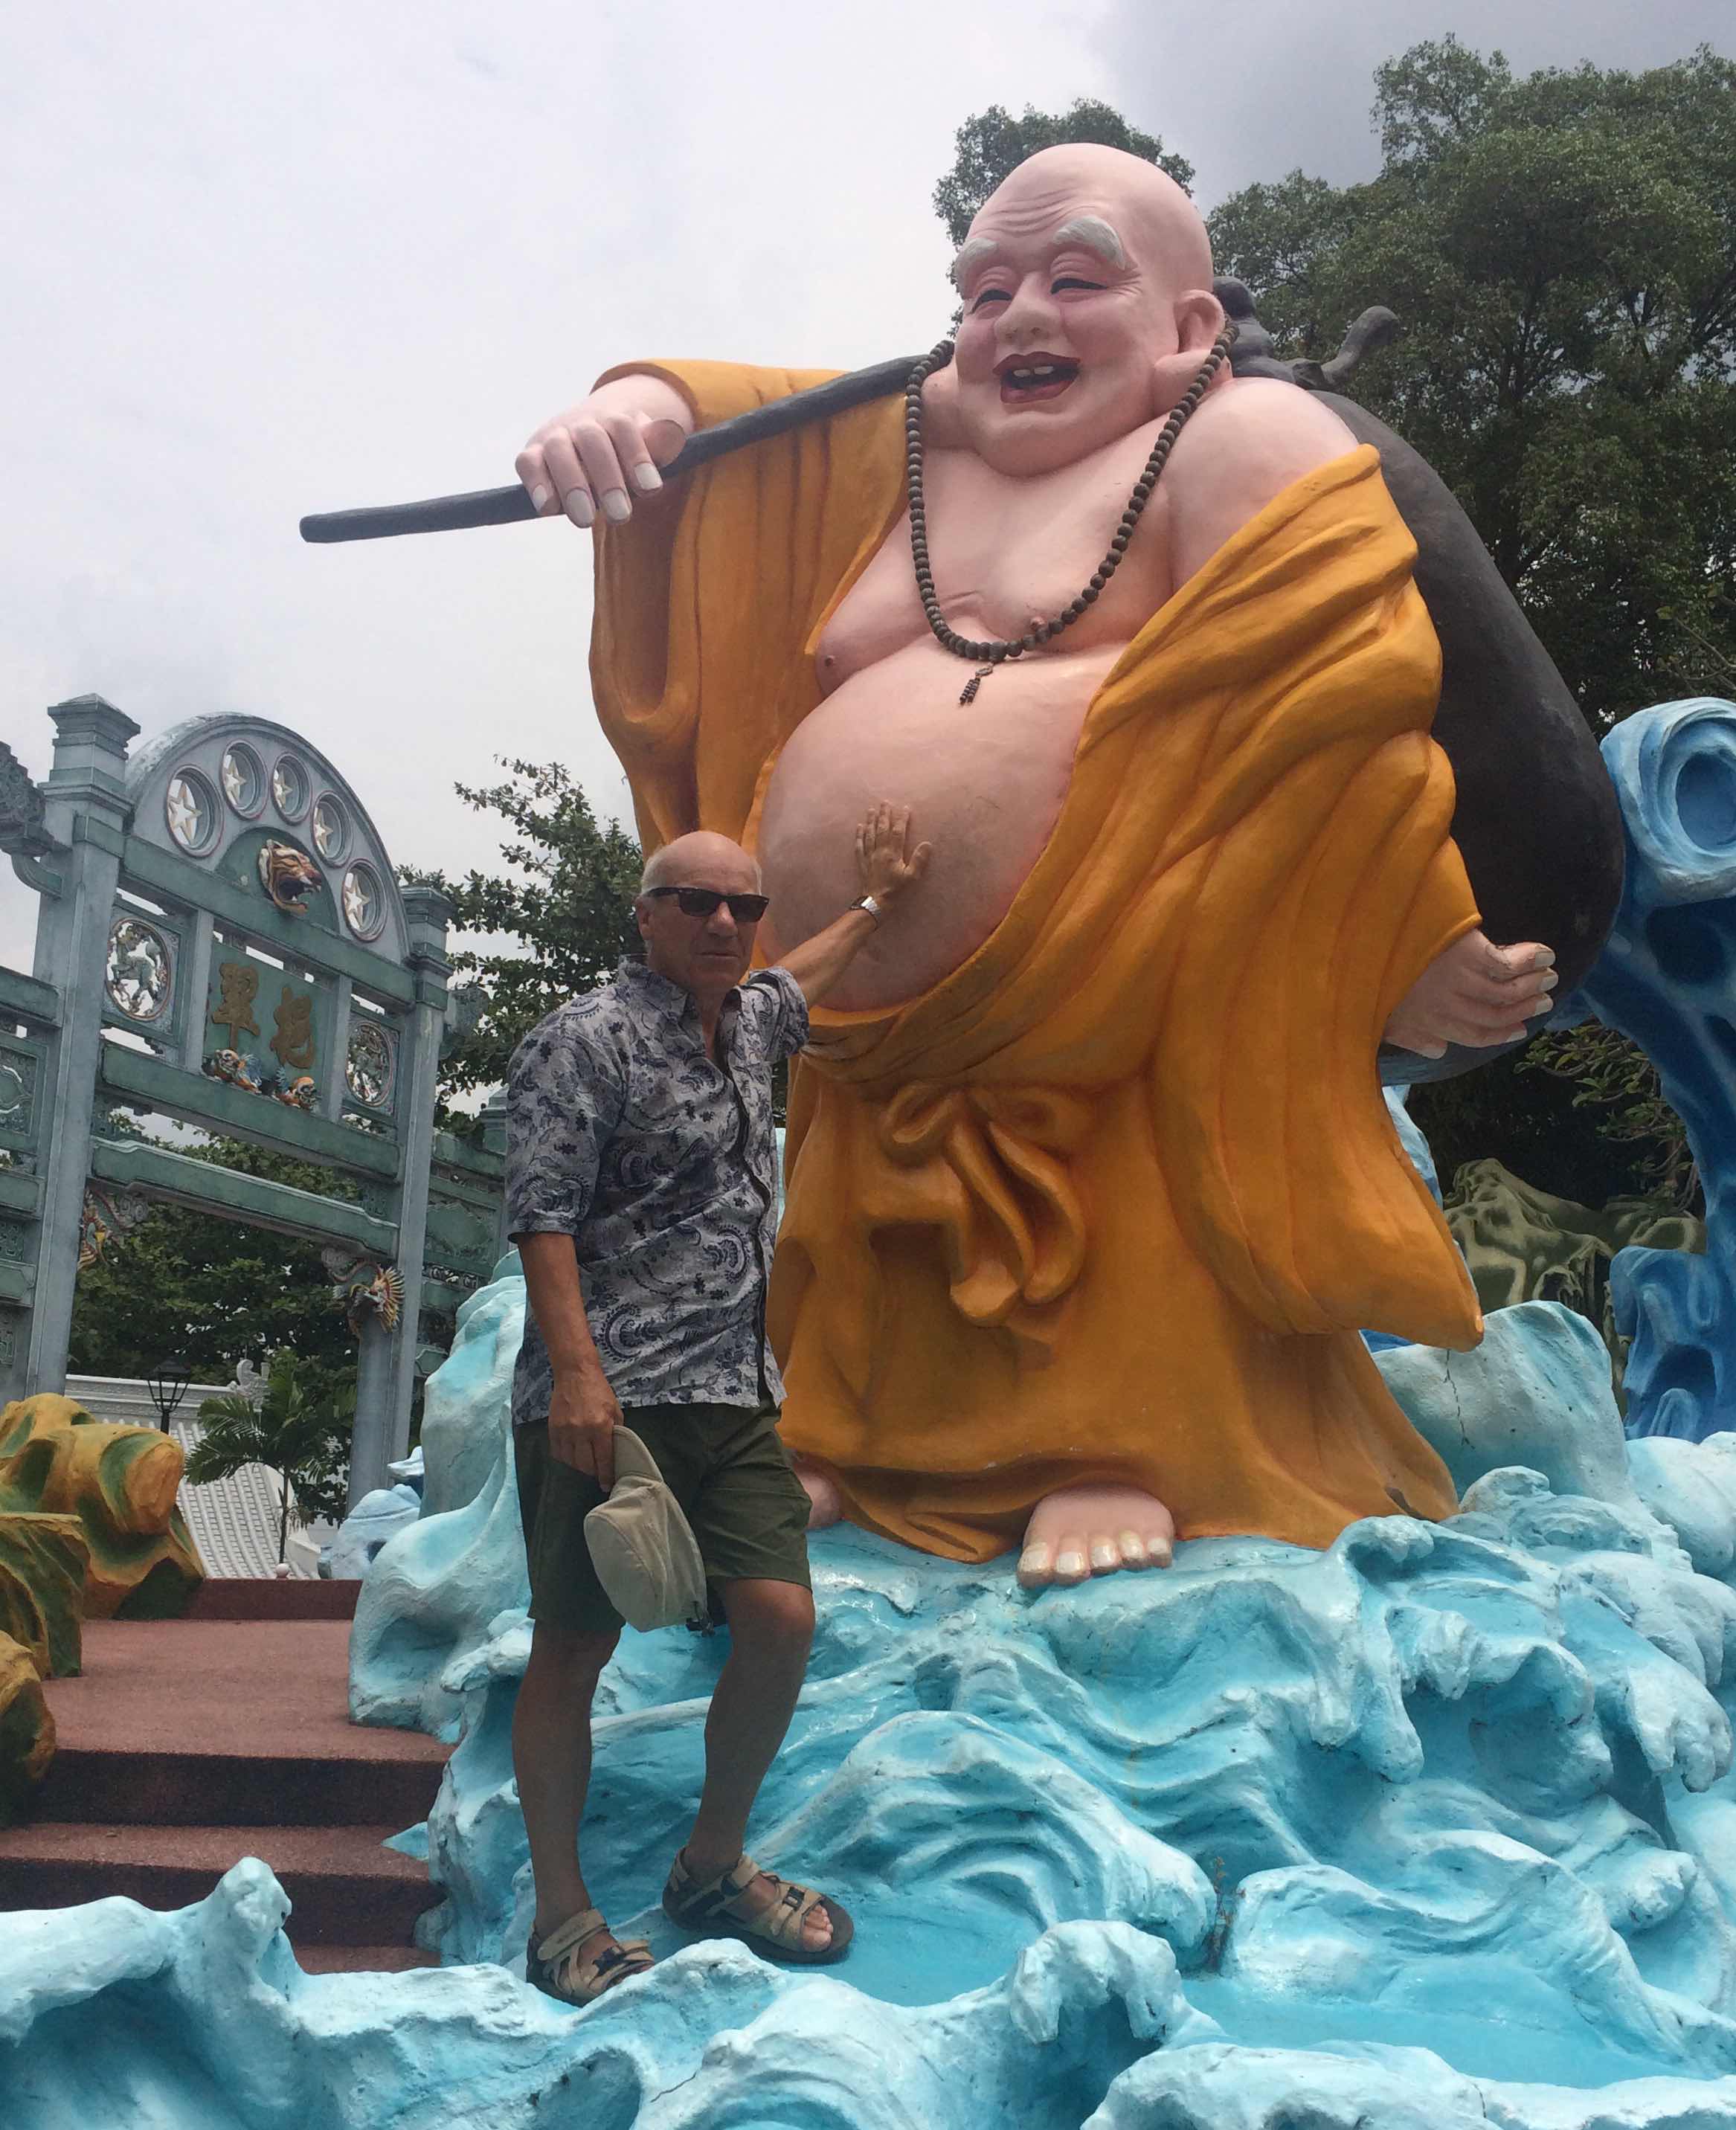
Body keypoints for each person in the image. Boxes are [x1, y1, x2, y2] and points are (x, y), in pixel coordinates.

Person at [512, 144, 1558, 1589]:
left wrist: (1399, 932)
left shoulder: (1233, 442)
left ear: (1190, 326)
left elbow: (1329, 705)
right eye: (985, 290)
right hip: (855, 1017)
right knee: (859, 1242)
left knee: (1117, 1213)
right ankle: (850, 1437)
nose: (1019, 318)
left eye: (1075, 279)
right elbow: (745, 430)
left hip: (1113, 968)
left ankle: (1124, 1448)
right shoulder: (903, 447)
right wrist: (637, 411)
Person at [507, 808, 930, 2007]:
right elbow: (541, 1215)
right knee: (574, 1646)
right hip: (611, 1393)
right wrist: (577, 1374)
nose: (724, 922)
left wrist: (880, 902)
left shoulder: (750, 1022)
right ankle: (561, 1916)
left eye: (744, 905)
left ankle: (709, 1867)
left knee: (780, 1618)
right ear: (645, 915)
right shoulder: (582, 1040)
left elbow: (807, 979)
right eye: (696, 901)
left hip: (735, 1390)